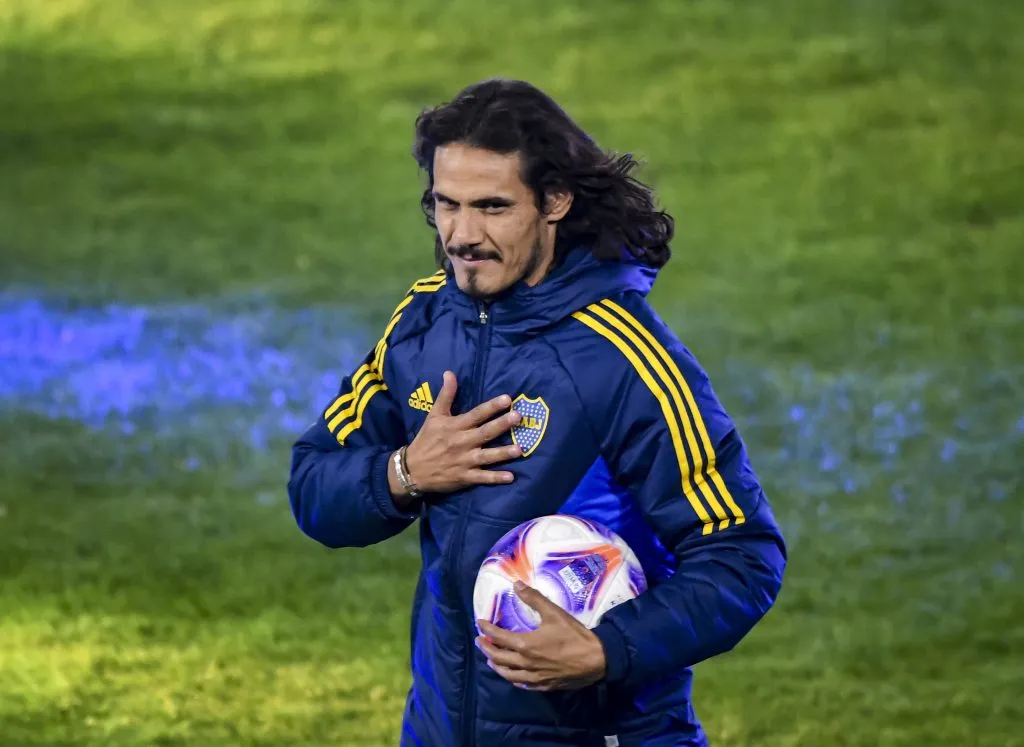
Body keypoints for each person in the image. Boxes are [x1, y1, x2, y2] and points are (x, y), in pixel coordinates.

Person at [287, 78, 787, 747]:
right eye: (446, 205)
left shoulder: (621, 358)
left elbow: (742, 553)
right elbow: (313, 483)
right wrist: (405, 472)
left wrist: (606, 649)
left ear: (554, 200)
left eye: (492, 207)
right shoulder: (423, 321)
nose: (461, 235)